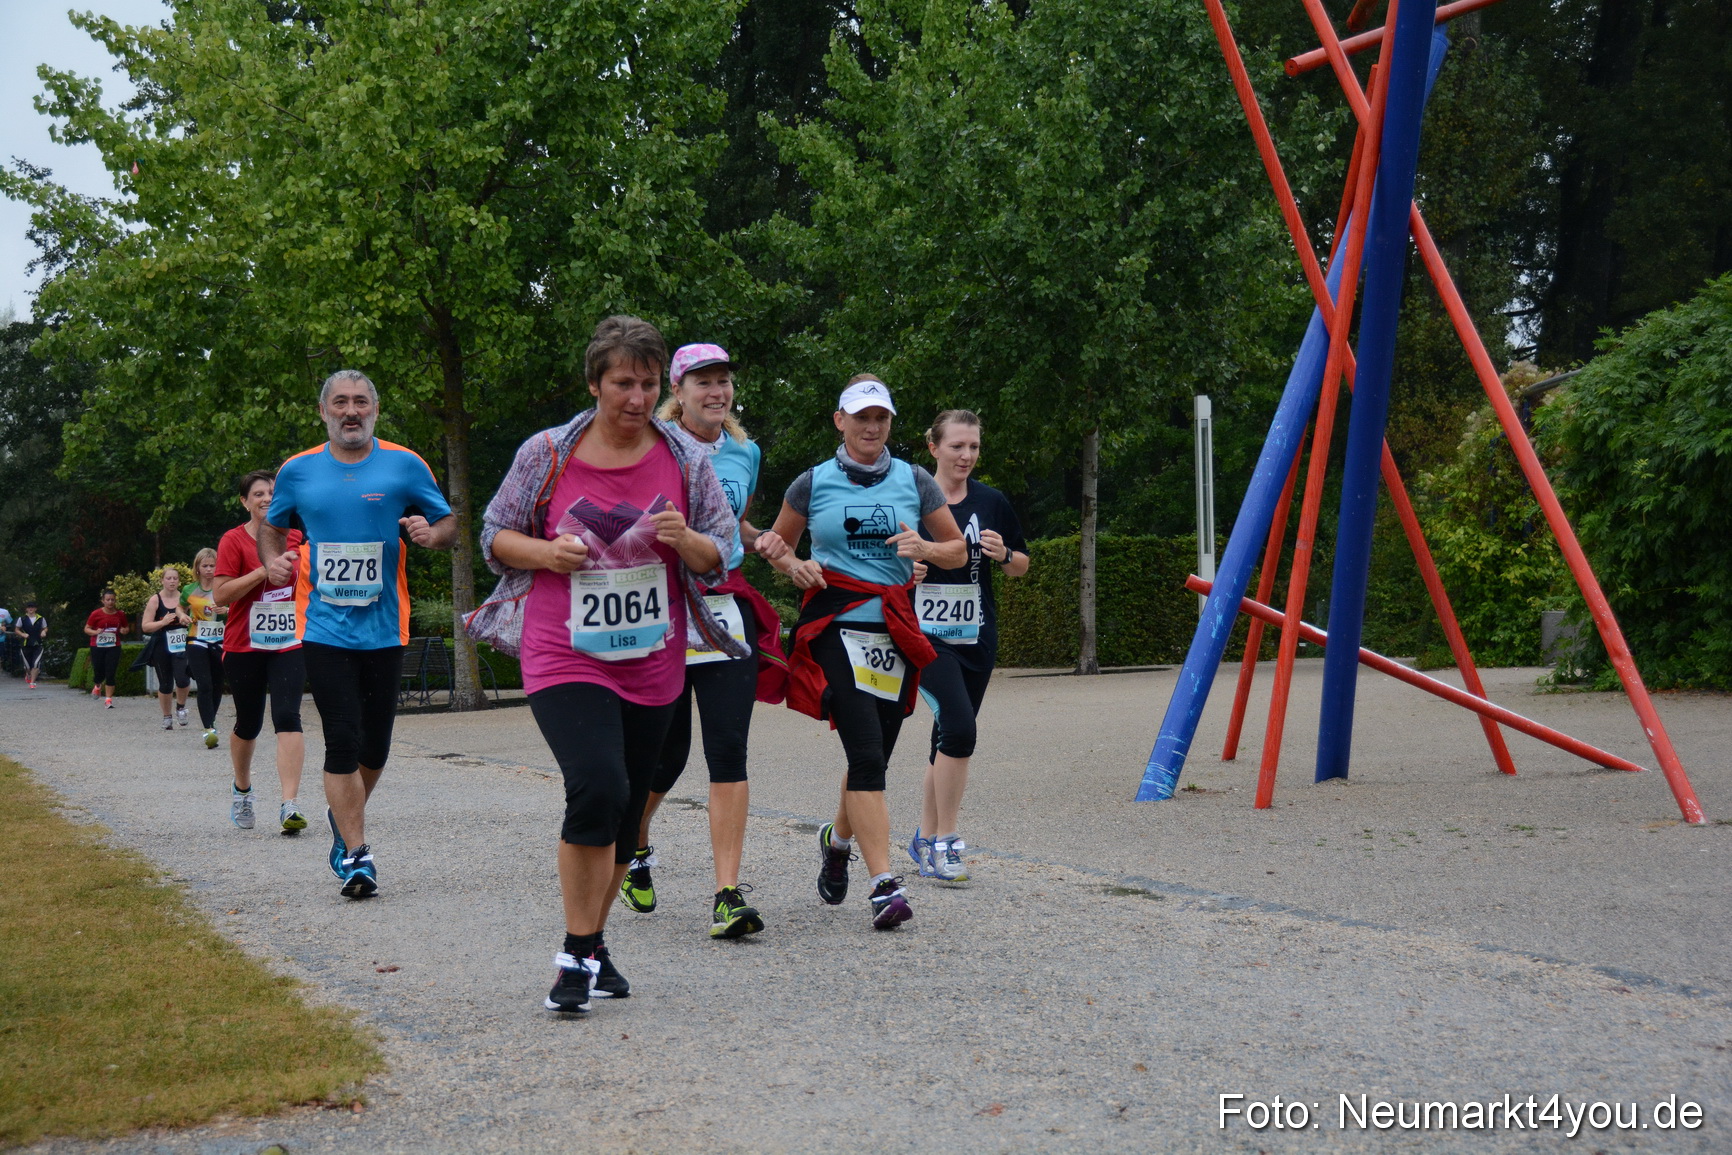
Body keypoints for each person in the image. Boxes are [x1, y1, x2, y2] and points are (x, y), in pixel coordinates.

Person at [468, 315, 745, 1014]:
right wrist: (544, 552)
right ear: (595, 382)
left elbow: (725, 552)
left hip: (653, 656)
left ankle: (593, 944)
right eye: (623, 382)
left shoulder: (684, 457)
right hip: (564, 648)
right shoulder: (548, 452)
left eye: (649, 383)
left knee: (626, 810)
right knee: (595, 785)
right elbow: (492, 533)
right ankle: (573, 953)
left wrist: (689, 543)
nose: (637, 396)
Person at [754, 374, 967, 930]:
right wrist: (790, 564)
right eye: (861, 417)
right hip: (835, 625)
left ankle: (838, 838)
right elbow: (778, 546)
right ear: (840, 421)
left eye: (882, 418)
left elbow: (956, 550)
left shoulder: (915, 480)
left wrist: (924, 546)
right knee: (868, 755)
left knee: (872, 757)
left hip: (894, 630)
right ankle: (884, 886)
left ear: (890, 423)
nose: (872, 427)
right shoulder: (811, 483)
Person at [260, 370, 454, 897]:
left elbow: (449, 524)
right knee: (341, 736)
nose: (351, 411)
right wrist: (274, 561)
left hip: (386, 629)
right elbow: (272, 527)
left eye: (361, 402)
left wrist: (429, 533)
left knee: (377, 746)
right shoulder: (298, 471)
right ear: (323, 412)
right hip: (322, 626)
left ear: (375, 410)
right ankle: (357, 853)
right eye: (340, 402)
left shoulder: (405, 464)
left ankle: (340, 811)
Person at [623, 342, 788, 940]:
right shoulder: (652, 444)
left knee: (729, 750)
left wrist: (767, 540)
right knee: (666, 755)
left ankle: (727, 893)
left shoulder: (746, 451)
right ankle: (633, 842)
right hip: (663, 612)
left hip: (723, 610)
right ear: (679, 391)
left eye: (723, 381)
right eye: (703, 383)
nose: (716, 392)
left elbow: (731, 519)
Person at [905, 410, 1030, 882]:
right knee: (959, 728)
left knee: (946, 738)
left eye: (974, 447)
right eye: (957, 446)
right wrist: (907, 573)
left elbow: (1022, 564)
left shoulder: (991, 502)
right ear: (933, 447)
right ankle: (948, 844)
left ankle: (924, 838)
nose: (966, 455)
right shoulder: (914, 500)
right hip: (924, 636)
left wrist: (1004, 556)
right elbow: (885, 562)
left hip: (978, 633)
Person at [216, 469, 309, 835]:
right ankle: (242, 789)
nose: (267, 498)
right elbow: (221, 594)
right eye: (258, 494)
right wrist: (263, 571)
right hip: (244, 643)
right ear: (245, 502)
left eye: (273, 491)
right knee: (248, 722)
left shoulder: (298, 537)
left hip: (289, 641)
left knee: (288, 715)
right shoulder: (233, 541)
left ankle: (290, 804)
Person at [184, 548, 227, 749]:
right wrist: (182, 615)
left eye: (213, 565)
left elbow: (239, 608)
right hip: (196, 641)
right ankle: (208, 729)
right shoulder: (189, 589)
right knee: (205, 684)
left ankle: (211, 719)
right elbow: (180, 605)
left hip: (220, 641)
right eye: (205, 566)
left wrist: (227, 610)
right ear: (198, 568)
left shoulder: (225, 588)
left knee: (218, 685)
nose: (209, 570)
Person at [141, 568, 192, 728]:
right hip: (161, 644)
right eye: (168, 578)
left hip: (181, 644)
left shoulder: (185, 599)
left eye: (175, 578)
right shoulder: (155, 600)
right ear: (162, 580)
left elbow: (195, 618)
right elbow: (145, 626)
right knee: (165, 683)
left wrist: (187, 620)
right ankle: (167, 716)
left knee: (183, 679)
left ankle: (181, 707)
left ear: (179, 581)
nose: (172, 581)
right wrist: (162, 623)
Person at [83, 589, 131, 706]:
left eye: (112, 600)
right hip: (97, 645)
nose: (110, 602)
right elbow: (87, 629)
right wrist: (95, 632)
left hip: (114, 646)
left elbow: (126, 627)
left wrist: (124, 630)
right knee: (99, 670)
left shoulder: (120, 614)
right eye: (108, 600)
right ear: (103, 601)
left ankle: (108, 699)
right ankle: (98, 685)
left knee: (111, 672)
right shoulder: (96, 614)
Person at [13, 600, 47, 689]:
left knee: (35, 664)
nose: (31, 609)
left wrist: (44, 632)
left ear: (35, 609)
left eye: (32, 607)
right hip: (26, 645)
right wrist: (23, 634)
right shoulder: (22, 619)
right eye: (29, 607)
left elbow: (45, 628)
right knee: (28, 666)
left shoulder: (41, 618)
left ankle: (32, 682)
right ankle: (28, 674)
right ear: (26, 609)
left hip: (38, 644)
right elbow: (16, 630)